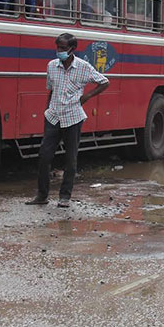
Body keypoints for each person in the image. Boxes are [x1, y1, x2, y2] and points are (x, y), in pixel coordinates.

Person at [26, 33, 109, 208]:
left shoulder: (83, 67)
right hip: (53, 116)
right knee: (44, 156)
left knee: (70, 159)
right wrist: (47, 109)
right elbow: (51, 89)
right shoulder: (51, 66)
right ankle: (42, 195)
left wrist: (86, 97)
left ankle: (65, 196)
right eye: (58, 47)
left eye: (63, 48)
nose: (59, 51)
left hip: (73, 117)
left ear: (72, 49)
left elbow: (104, 82)